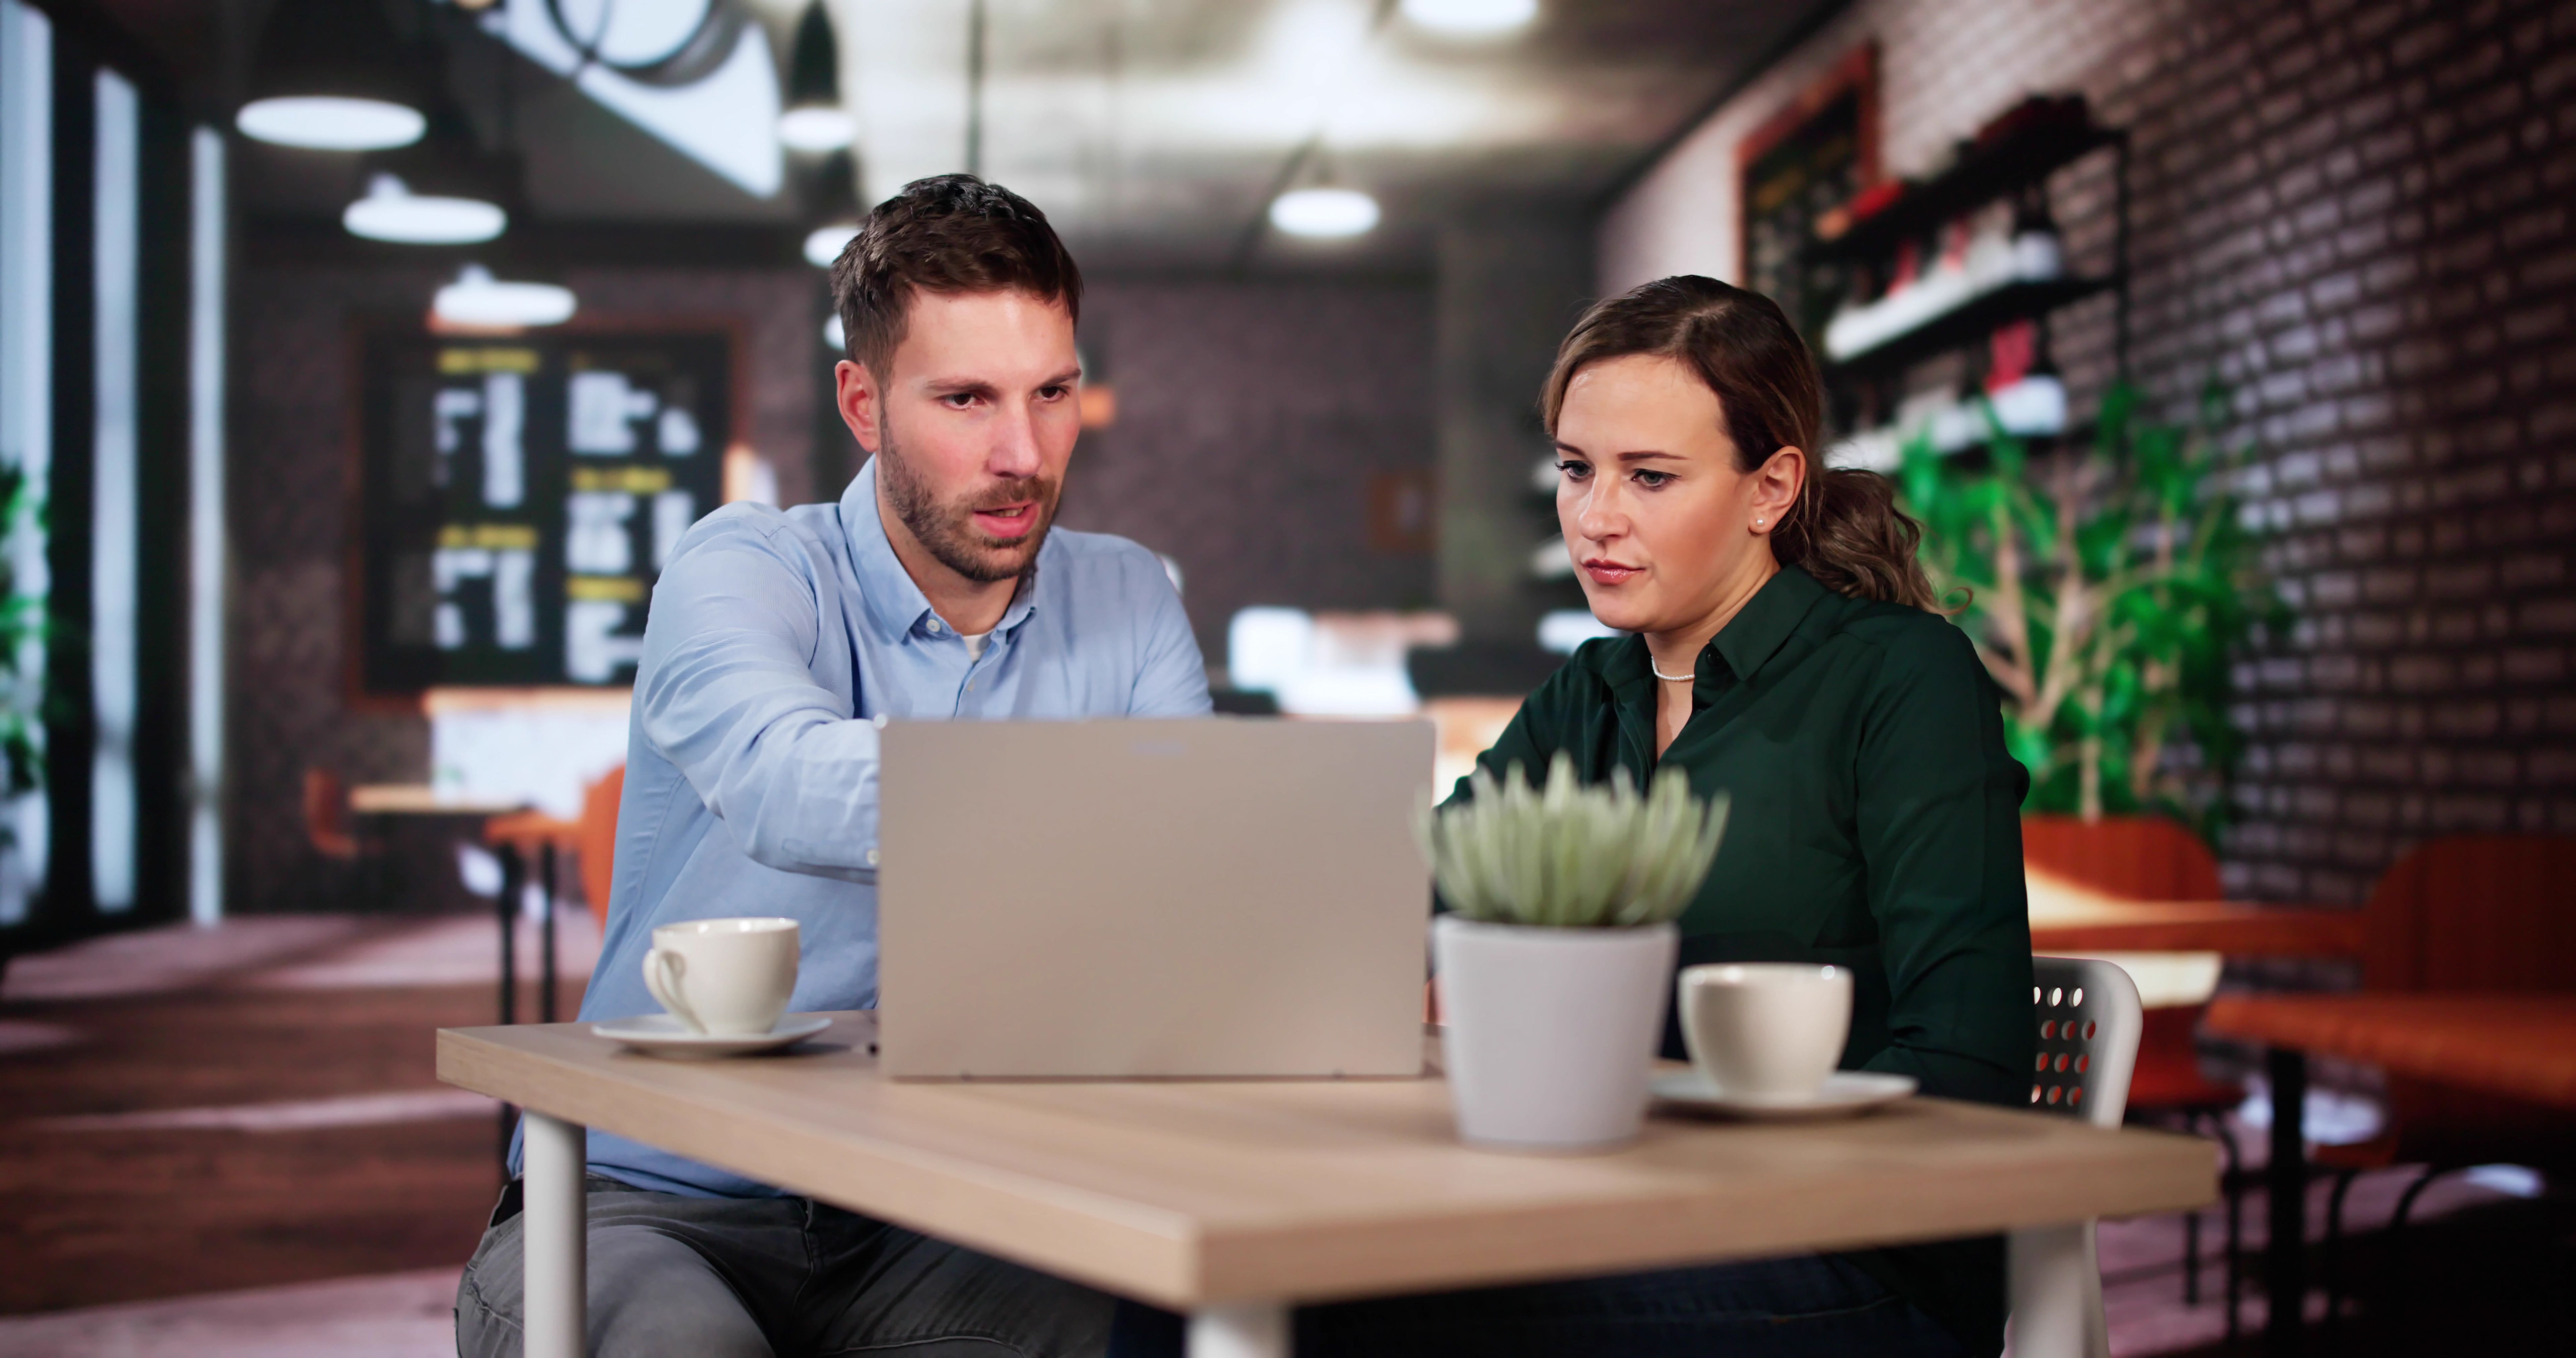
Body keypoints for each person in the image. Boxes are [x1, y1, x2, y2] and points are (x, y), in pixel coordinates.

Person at [1113, 277, 2034, 1358]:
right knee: (1186, 1271)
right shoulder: (1588, 697)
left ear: (1770, 486)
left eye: (1650, 476)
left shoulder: (1899, 680)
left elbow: (1968, 1063)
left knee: (1344, 1305)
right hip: (1612, 1216)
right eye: (1576, 469)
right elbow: (1401, 902)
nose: (1596, 517)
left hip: (1853, 1266)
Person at [455, 174, 1209, 1358]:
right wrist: (1109, 815)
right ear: (862, 403)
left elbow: (1191, 879)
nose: (1024, 453)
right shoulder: (740, 568)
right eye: (966, 398)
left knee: (1169, 1317)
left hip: (949, 1206)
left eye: (1052, 394)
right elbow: (784, 779)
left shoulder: (1128, 597)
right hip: (660, 1201)